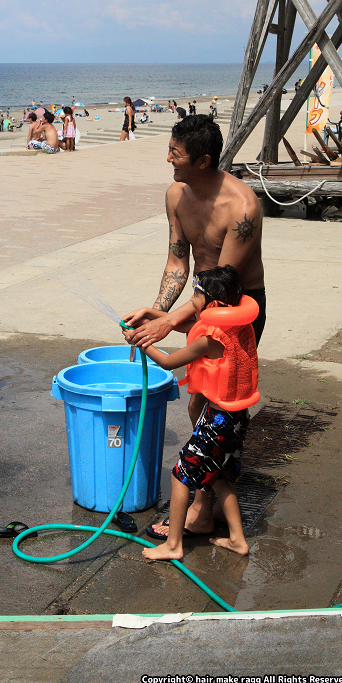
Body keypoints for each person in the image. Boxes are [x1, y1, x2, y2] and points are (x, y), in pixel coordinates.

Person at [123, 114, 264, 536]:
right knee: (200, 405)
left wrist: (169, 322)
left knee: (215, 406)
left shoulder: (242, 207)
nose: (168, 158)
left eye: (176, 153)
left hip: (236, 309)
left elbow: (222, 282)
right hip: (198, 307)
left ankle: (202, 507)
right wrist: (156, 313)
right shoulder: (175, 195)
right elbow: (177, 263)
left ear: (203, 161)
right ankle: (214, 494)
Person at [131, 266, 258, 562]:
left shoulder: (211, 340)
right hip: (238, 417)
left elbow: (167, 362)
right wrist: (153, 316)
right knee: (221, 477)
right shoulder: (240, 325)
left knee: (180, 476)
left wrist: (140, 341)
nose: (192, 300)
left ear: (214, 304)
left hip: (217, 422)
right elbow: (192, 325)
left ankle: (173, 545)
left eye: (196, 295)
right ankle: (237, 540)